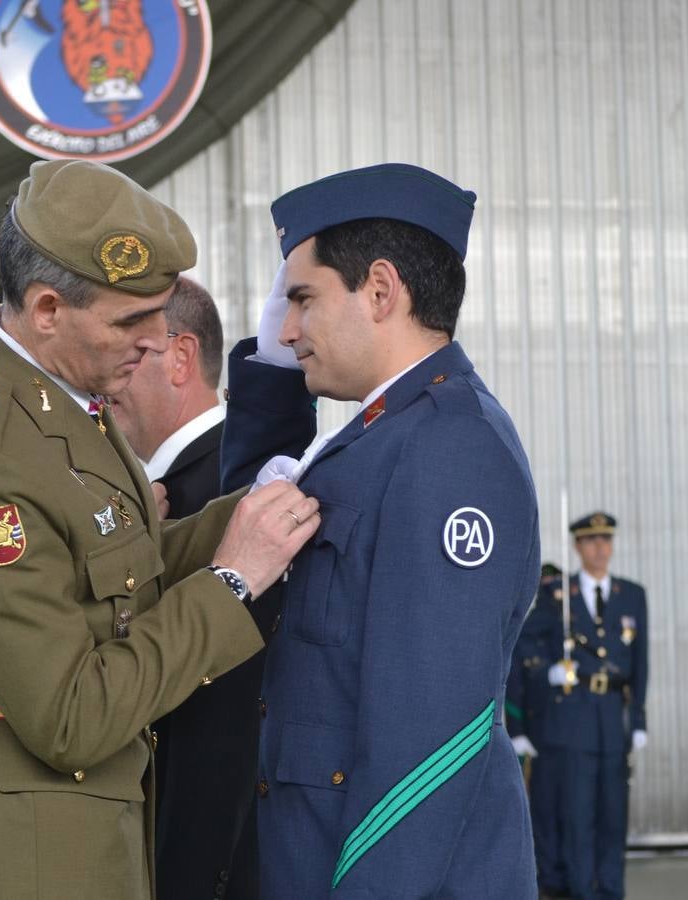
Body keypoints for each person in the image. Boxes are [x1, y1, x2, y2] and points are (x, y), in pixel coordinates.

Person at [0, 159, 319, 899]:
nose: (155, 342)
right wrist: (232, 580)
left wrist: (243, 516)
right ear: (47, 308)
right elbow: (72, 717)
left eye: (161, 311)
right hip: (19, 857)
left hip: (70, 830)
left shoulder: (51, 393)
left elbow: (118, 570)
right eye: (129, 321)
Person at [219, 163, 541, 897]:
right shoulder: (377, 433)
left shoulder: (448, 446)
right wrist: (272, 369)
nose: (289, 326)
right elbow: (255, 533)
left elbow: (429, 740)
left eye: (302, 299)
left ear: (382, 290)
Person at [110, 276, 266, 899]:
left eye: (130, 347)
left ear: (180, 357)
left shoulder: (244, 484)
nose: (106, 372)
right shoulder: (131, 490)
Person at [523, 512, 649, 900]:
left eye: (605, 540)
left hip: (613, 718)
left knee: (613, 817)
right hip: (572, 718)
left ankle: (611, 891)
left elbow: (641, 661)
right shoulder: (559, 594)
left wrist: (639, 717)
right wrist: (548, 673)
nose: (600, 548)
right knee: (578, 817)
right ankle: (581, 892)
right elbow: (523, 644)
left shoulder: (632, 594)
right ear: (578, 546)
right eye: (591, 541)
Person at [507, 562, 568, 897]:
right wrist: (517, 730)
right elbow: (515, 683)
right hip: (534, 732)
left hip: (564, 733)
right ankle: (547, 878)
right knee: (541, 811)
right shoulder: (530, 625)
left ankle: (563, 873)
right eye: (548, 583)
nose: (553, 590)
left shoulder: (567, 627)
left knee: (565, 808)